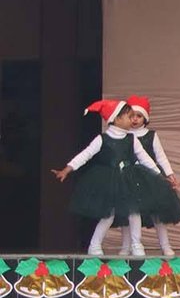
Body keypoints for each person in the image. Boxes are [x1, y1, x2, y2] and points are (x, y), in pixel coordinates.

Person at [53, 99, 167, 256]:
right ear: (117, 119)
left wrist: (158, 174)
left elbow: (144, 158)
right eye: (129, 116)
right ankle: (94, 245)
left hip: (129, 179)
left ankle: (136, 244)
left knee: (134, 212)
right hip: (110, 181)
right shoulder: (103, 139)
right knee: (109, 215)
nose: (132, 120)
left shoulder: (131, 139)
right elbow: (86, 154)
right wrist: (68, 168)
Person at [115, 96, 180, 258]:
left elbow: (160, 156)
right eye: (131, 116)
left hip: (150, 179)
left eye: (139, 116)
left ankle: (165, 246)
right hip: (128, 179)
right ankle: (126, 246)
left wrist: (169, 173)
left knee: (157, 213)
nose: (135, 119)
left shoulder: (151, 135)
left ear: (145, 118)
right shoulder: (123, 136)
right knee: (128, 213)